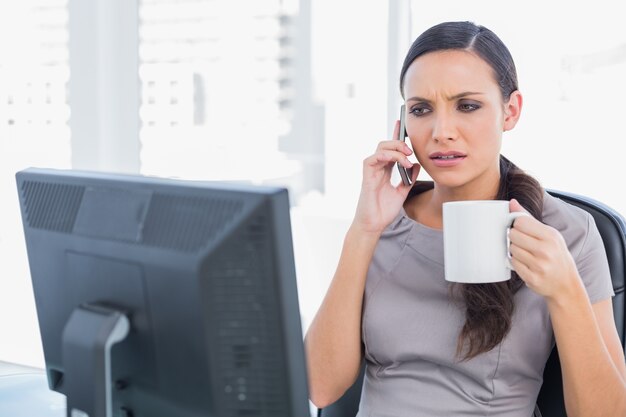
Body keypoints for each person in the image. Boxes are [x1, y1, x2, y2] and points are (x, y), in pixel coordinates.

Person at [304, 21, 626, 416]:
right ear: (404, 125)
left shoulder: (566, 234)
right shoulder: (380, 223)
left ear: (510, 111)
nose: (441, 132)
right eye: (421, 110)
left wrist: (565, 290)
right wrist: (363, 231)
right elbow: (320, 389)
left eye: (467, 106)